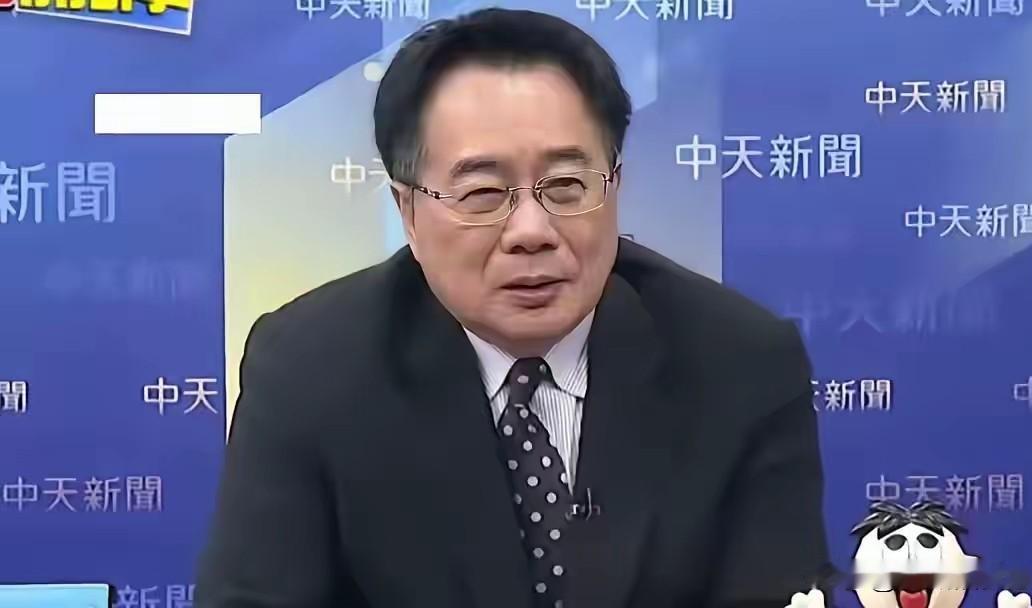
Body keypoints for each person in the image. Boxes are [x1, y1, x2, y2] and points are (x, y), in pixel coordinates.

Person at [194, 8, 831, 608]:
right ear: (407, 210)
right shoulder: (310, 369)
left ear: (615, 187)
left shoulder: (740, 363)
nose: (532, 230)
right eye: (483, 192)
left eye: (566, 186)